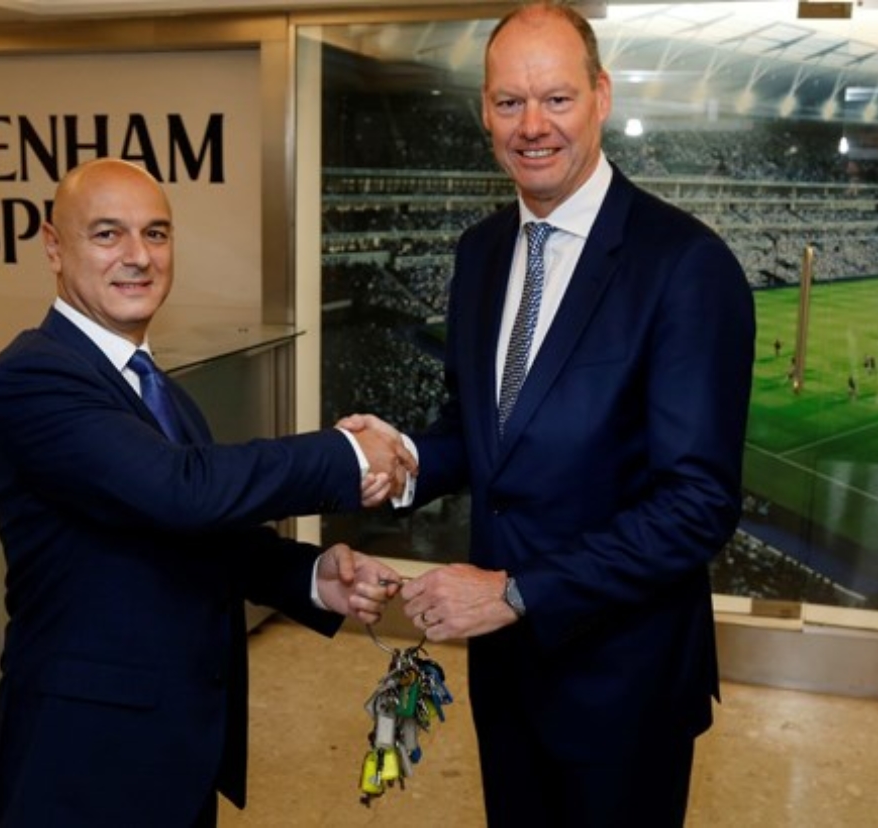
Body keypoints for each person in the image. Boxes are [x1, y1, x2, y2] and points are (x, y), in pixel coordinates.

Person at [346, 3, 755, 824]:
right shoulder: (482, 251)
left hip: (622, 687)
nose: (532, 126)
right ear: (484, 112)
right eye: (509, 102)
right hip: (507, 674)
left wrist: (519, 593)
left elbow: (697, 506)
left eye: (557, 99)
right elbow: (481, 430)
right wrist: (407, 459)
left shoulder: (685, 265)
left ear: (601, 97)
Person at [0, 157, 411, 827]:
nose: (138, 256)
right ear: (54, 248)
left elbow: (196, 536)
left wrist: (312, 577)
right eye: (107, 234)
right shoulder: (33, 376)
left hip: (173, 749)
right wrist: (347, 454)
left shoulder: (156, 390)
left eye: (156, 233)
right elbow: (181, 492)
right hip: (83, 761)